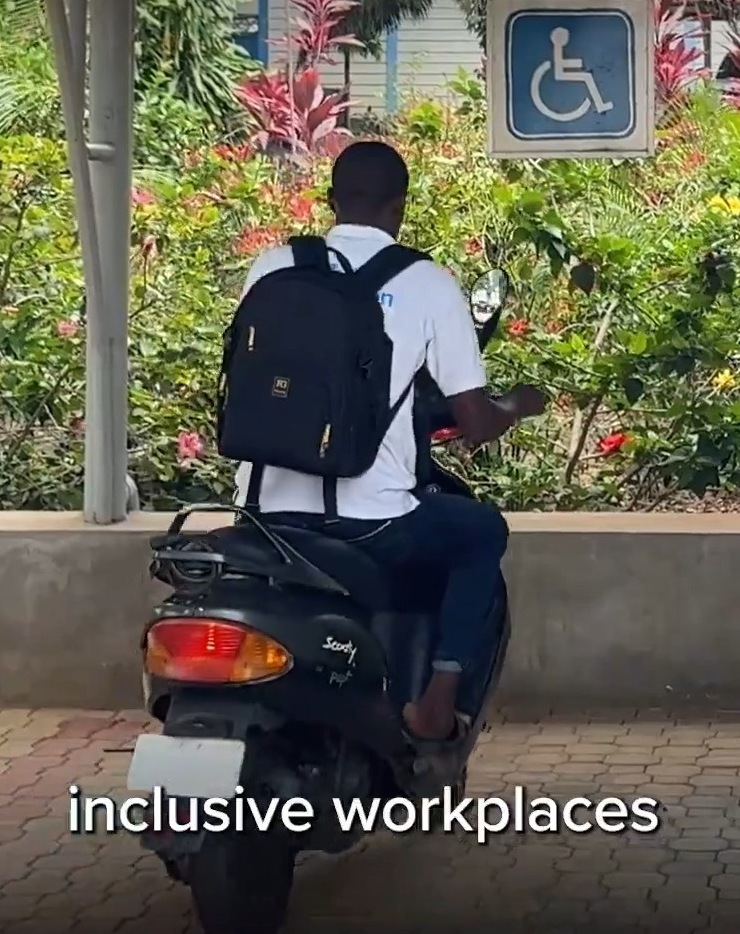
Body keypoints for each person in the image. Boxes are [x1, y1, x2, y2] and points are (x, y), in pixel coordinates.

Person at [234, 141, 546, 741]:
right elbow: (475, 422)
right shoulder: (425, 283)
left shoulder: (272, 267)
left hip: (262, 512)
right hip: (369, 522)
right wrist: (517, 405)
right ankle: (436, 704)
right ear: (400, 207)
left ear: (331, 201)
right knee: (482, 532)